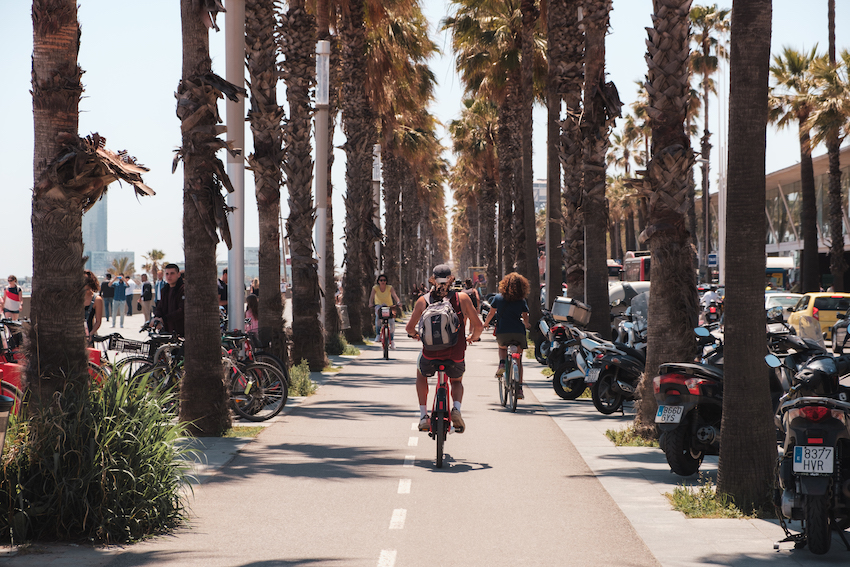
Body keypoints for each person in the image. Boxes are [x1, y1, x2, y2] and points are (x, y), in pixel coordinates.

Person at [406, 264, 483, 433]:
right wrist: (474, 337)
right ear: (451, 279)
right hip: (455, 354)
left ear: (432, 280)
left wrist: (415, 335)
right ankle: (456, 409)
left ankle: (423, 416)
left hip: (430, 355)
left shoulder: (423, 300)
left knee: (421, 374)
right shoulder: (462, 299)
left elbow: (409, 328)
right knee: (456, 381)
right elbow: (478, 325)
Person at [483, 272, 531, 399]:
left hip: (503, 331)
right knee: (519, 359)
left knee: (502, 347)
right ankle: (519, 389)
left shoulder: (498, 298)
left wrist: (486, 324)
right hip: (518, 332)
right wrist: (526, 324)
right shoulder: (521, 300)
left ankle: (502, 363)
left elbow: (491, 313)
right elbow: (525, 315)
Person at [368, 273, 402, 349]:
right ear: (378, 281)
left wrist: (398, 302)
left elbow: (395, 296)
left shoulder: (389, 288)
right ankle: (377, 335)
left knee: (392, 323)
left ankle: (392, 341)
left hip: (389, 306)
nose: (383, 282)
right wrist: (370, 303)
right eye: (381, 280)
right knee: (378, 318)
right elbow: (371, 297)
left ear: (386, 281)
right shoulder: (375, 288)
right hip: (379, 306)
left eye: (384, 280)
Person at [153, 263, 185, 336]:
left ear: (178, 274)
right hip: (166, 331)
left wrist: (164, 319)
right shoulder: (164, 290)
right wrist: (156, 317)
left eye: (172, 273)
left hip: (180, 331)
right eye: (167, 274)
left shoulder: (183, 289)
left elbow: (181, 311)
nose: (169, 276)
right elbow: (160, 307)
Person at [83, 270, 104, 344]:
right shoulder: (75, 298)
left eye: (87, 289)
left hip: (88, 336)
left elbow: (98, 321)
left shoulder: (97, 300)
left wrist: (91, 333)